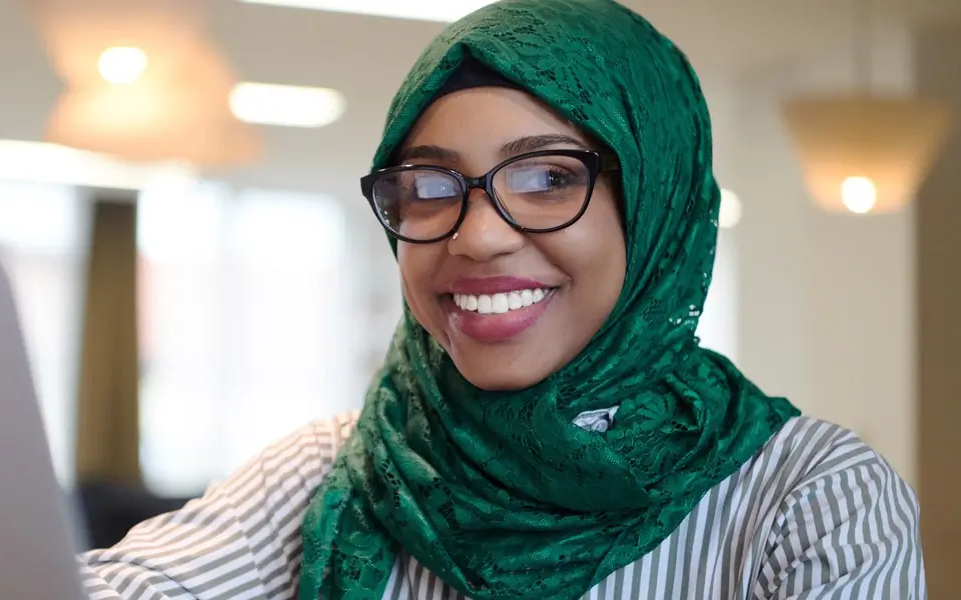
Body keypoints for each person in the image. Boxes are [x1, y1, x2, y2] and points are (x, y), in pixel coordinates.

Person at [78, 0, 925, 598]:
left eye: (551, 177)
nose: (477, 237)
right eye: (431, 184)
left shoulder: (808, 497)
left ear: (658, 209)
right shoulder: (348, 470)